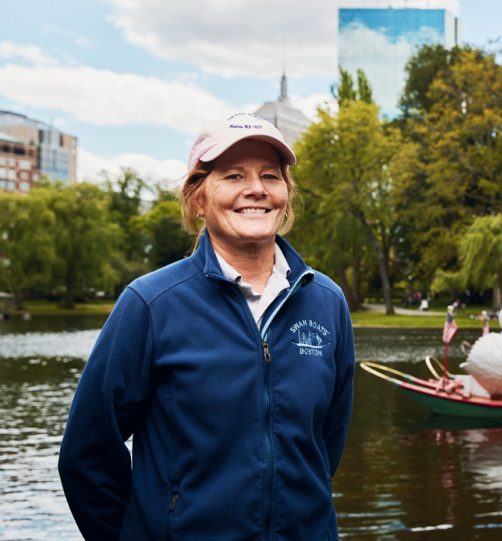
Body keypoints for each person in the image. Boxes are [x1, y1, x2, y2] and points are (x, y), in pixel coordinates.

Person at [58, 113, 356, 540]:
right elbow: (86, 455)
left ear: (286, 196)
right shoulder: (151, 304)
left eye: (270, 176)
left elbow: (326, 443)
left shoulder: (326, 301)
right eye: (233, 176)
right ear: (198, 198)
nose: (256, 189)